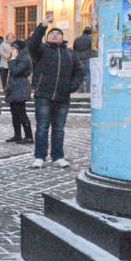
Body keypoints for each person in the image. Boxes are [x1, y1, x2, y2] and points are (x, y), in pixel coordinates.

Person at [27, 13, 84, 169]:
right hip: (43, 95)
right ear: (47, 37)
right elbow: (32, 44)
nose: (55, 35)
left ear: (62, 38)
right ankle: (39, 157)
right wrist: (43, 26)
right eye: (52, 33)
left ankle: (58, 156)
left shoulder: (70, 53)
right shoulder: (41, 51)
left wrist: (71, 87)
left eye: (58, 34)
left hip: (62, 97)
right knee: (42, 128)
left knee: (58, 129)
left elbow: (79, 72)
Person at [4, 40, 33, 144]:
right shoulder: (19, 57)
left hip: (20, 88)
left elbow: (15, 71)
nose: (11, 50)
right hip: (14, 87)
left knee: (21, 113)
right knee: (14, 113)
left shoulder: (24, 58)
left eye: (12, 48)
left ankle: (29, 136)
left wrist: (12, 59)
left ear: (17, 49)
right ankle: (17, 135)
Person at [73, 26, 93, 92]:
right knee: (88, 75)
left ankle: (80, 89)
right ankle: (88, 89)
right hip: (88, 58)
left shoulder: (77, 39)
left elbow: (74, 49)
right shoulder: (90, 39)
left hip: (79, 59)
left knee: (80, 75)